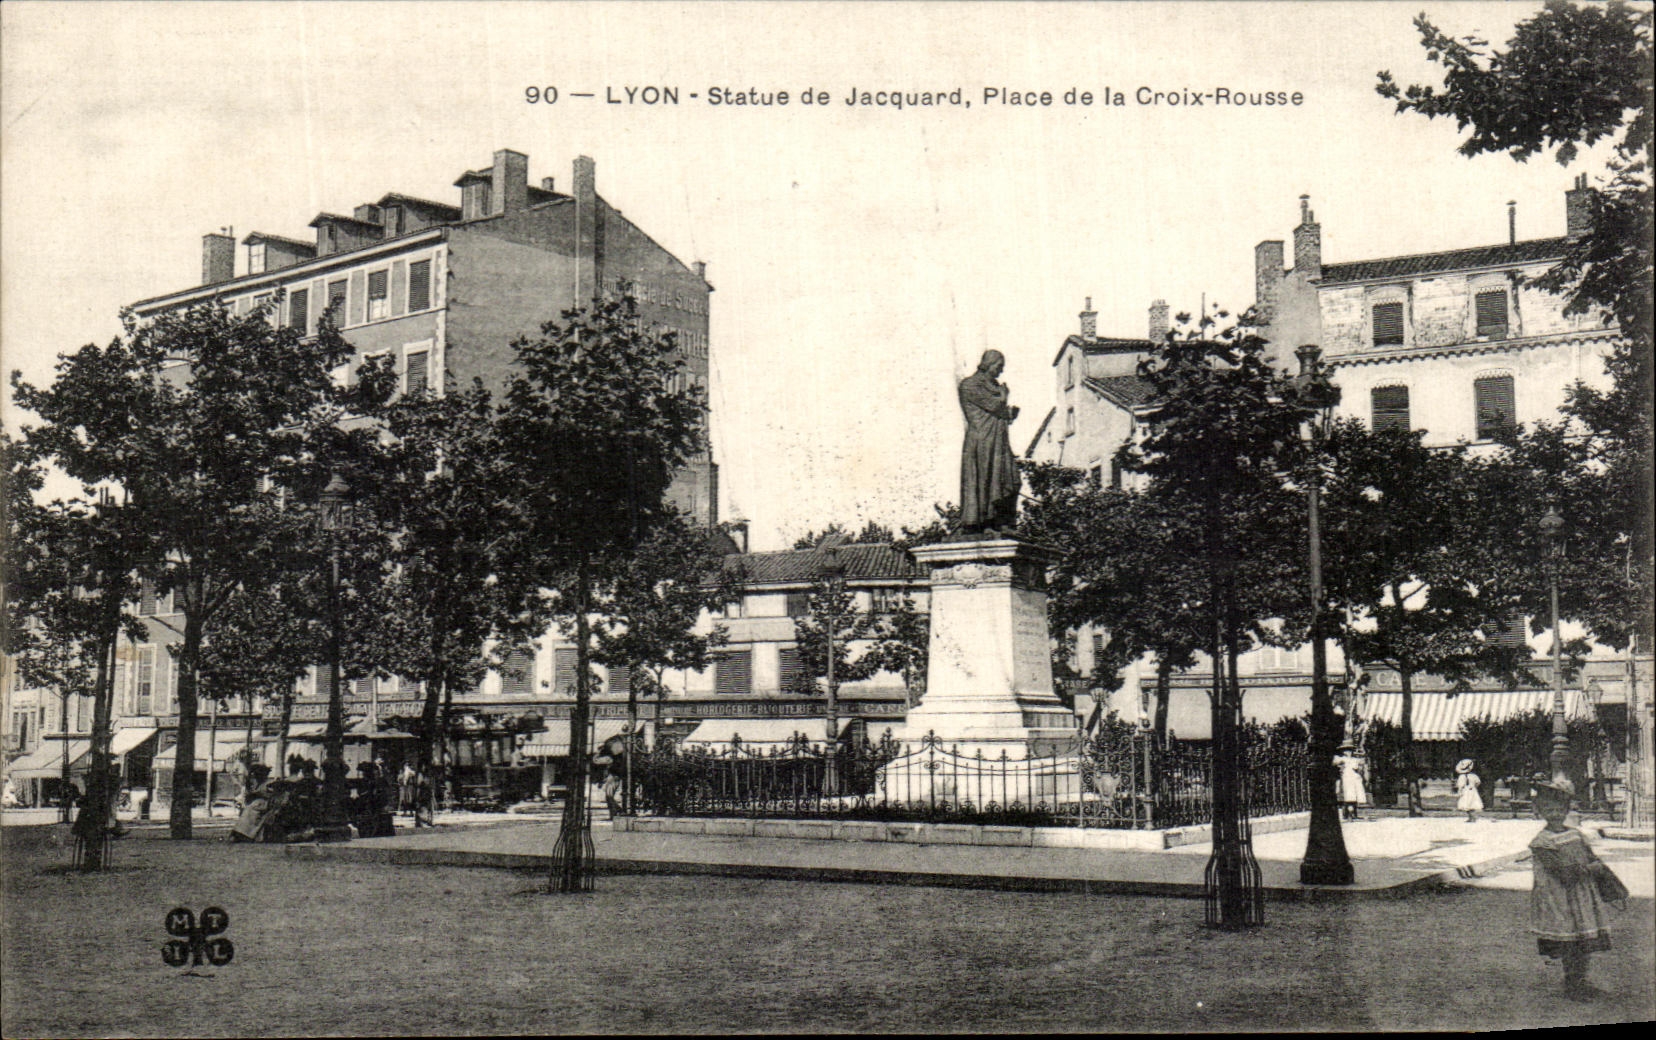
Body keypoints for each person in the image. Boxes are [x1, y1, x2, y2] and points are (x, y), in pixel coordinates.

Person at [1528, 776, 1614, 1000]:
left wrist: (1597, 868)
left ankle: (1582, 980)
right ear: (1540, 811)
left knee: (1584, 940)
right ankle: (1572, 984)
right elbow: (1562, 872)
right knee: (1569, 942)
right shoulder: (1541, 842)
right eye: (1549, 810)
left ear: (1566, 810)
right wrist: (1589, 869)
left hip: (1582, 897)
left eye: (1559, 809)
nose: (1555, 814)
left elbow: (1590, 857)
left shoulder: (1576, 835)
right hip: (1559, 900)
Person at [957, 350, 1020, 536]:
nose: (1001, 371)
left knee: (1011, 479)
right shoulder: (969, 385)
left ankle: (1003, 522)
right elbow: (994, 405)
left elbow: (999, 412)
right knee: (984, 480)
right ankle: (985, 522)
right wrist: (1004, 396)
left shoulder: (994, 386)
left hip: (998, 442)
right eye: (998, 367)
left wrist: (1010, 414)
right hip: (982, 442)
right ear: (988, 364)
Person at [1335, 745, 1367, 821]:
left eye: (1349, 750)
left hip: (1355, 778)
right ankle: (1348, 814)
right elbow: (1336, 763)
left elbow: (1360, 765)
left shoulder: (1354, 759)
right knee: (1349, 796)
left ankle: (1354, 814)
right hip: (1347, 778)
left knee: (1355, 795)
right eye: (1346, 750)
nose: (1348, 752)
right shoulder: (1342, 759)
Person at [1455, 758, 1483, 823]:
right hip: (1472, 791)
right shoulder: (1474, 776)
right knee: (1471, 805)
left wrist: (1460, 790)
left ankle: (1473, 817)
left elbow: (1460, 785)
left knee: (1467, 805)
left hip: (1466, 791)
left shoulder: (1461, 776)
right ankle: (1471, 818)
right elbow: (1478, 782)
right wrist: (1474, 787)